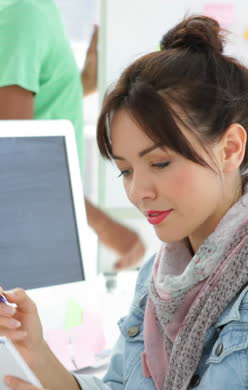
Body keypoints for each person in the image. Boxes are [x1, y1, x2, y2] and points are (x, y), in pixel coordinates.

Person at [0, 14, 248, 390]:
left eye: (159, 163)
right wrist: (35, 351)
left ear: (230, 149)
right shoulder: (161, 274)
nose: (137, 191)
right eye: (125, 169)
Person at [0, 0, 145, 270]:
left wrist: (81, 85)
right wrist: (104, 226)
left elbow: (28, 112)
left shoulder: (34, 10)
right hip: (28, 232)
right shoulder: (23, 13)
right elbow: (13, 154)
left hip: (40, 226)